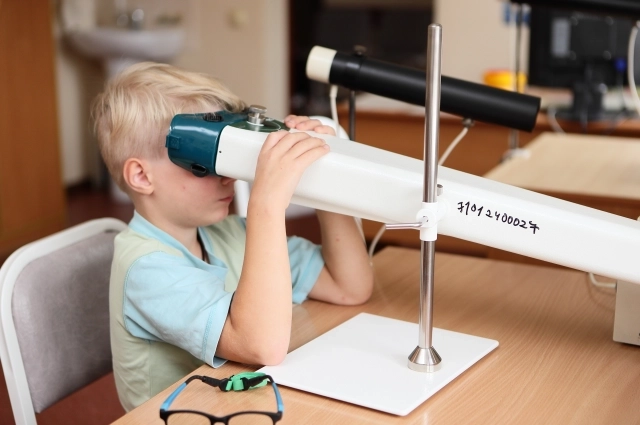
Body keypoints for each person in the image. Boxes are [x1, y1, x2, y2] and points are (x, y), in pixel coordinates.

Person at [91, 62, 374, 411]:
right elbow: (262, 346)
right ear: (141, 176)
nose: (228, 177)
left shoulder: (227, 234)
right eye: (205, 161)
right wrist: (266, 203)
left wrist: (325, 177)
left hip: (236, 406)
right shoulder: (145, 269)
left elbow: (349, 287)